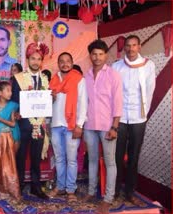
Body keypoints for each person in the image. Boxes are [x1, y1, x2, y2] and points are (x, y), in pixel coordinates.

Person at [112, 35, 156, 203]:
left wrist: (143, 115)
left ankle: (130, 192)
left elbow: (150, 89)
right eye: (127, 46)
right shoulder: (116, 66)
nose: (130, 49)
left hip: (138, 118)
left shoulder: (148, 65)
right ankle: (114, 191)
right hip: (120, 118)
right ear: (124, 48)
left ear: (139, 46)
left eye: (134, 45)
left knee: (133, 156)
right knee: (116, 156)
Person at [82, 40, 123, 213]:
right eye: (94, 54)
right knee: (91, 160)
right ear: (90, 56)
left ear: (106, 55)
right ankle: (91, 192)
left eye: (100, 54)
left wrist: (114, 127)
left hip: (107, 126)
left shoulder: (113, 75)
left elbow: (118, 102)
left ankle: (108, 198)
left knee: (109, 162)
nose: (97, 57)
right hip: (90, 125)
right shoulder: (87, 75)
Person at [11, 42, 50, 200]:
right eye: (32, 58)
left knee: (35, 157)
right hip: (23, 124)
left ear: (42, 61)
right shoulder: (18, 78)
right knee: (20, 157)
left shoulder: (45, 79)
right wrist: (16, 112)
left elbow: (46, 102)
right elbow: (14, 100)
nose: (35, 61)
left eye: (38, 59)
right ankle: (18, 186)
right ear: (28, 60)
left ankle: (36, 187)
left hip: (39, 124)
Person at [48, 52, 88, 203]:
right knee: (59, 158)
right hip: (56, 125)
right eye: (62, 62)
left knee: (71, 160)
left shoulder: (79, 79)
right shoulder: (53, 80)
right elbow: (48, 105)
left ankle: (71, 189)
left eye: (67, 61)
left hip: (72, 126)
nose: (65, 64)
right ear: (58, 64)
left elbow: (83, 103)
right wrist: (49, 98)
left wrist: (79, 125)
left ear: (72, 63)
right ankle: (60, 187)